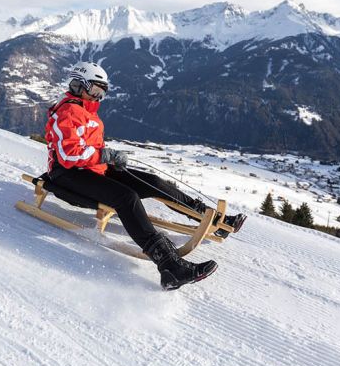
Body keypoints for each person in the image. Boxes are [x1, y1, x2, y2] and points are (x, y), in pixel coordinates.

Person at [43, 61, 245, 290]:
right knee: (126, 197)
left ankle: (209, 218)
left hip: (92, 168)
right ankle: (170, 267)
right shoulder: (68, 111)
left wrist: (107, 159)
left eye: (102, 93)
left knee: (153, 182)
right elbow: (69, 155)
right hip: (67, 174)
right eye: (95, 90)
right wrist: (105, 155)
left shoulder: (88, 111)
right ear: (80, 85)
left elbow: (90, 146)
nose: (98, 97)